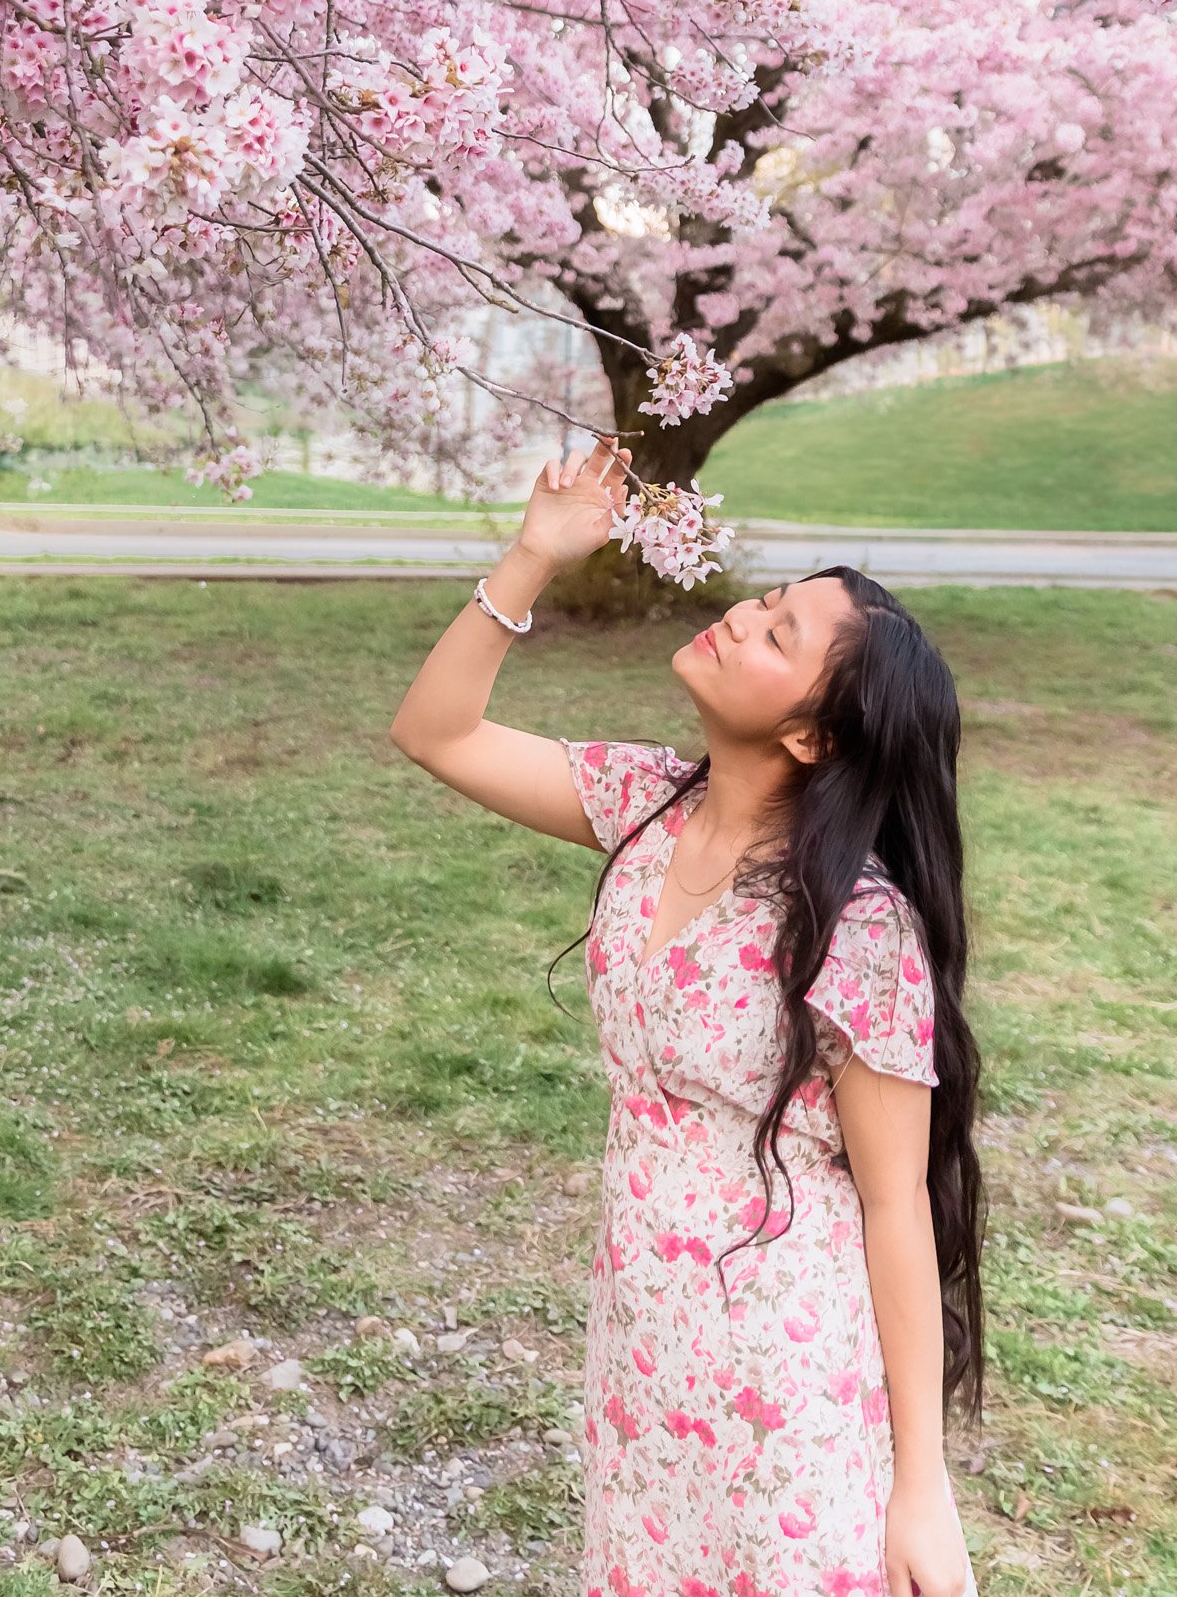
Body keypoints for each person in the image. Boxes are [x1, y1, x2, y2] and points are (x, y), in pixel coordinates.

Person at [391, 440, 983, 1597]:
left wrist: (920, 1483)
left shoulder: (854, 931)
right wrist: (532, 557)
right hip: (643, 1349)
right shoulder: (645, 808)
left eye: (777, 636)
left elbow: (893, 1202)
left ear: (812, 735)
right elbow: (436, 732)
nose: (738, 619)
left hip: (784, 1378)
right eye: (763, 602)